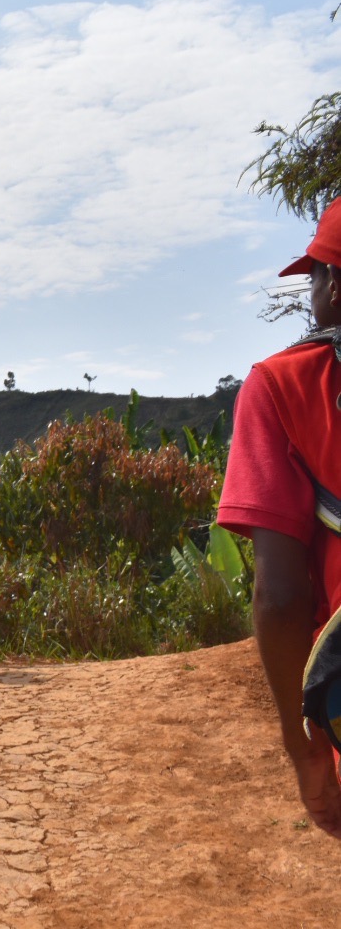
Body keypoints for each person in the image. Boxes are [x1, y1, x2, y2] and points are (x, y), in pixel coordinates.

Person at [218, 199, 341, 839]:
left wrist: (302, 744)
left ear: (335, 284)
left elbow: (283, 598)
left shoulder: (284, 387)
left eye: (315, 275)